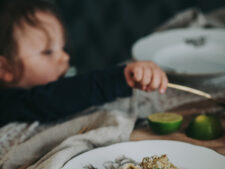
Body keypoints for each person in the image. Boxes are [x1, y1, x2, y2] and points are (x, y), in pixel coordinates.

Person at [0, 0, 168, 126]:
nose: (65, 57)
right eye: (48, 52)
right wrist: (120, 78)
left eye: (63, 47)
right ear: (5, 68)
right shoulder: (7, 104)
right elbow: (53, 98)